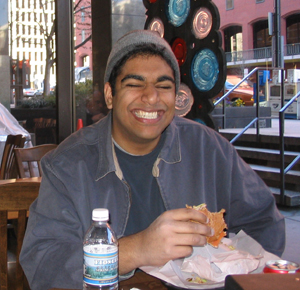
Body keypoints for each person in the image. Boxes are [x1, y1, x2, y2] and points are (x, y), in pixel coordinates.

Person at [20, 30, 285, 290]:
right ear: (110, 95)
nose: (151, 97)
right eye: (134, 84)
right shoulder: (66, 164)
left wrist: (236, 275)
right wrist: (136, 250)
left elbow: (263, 221)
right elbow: (43, 262)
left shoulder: (209, 148)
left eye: (164, 86)